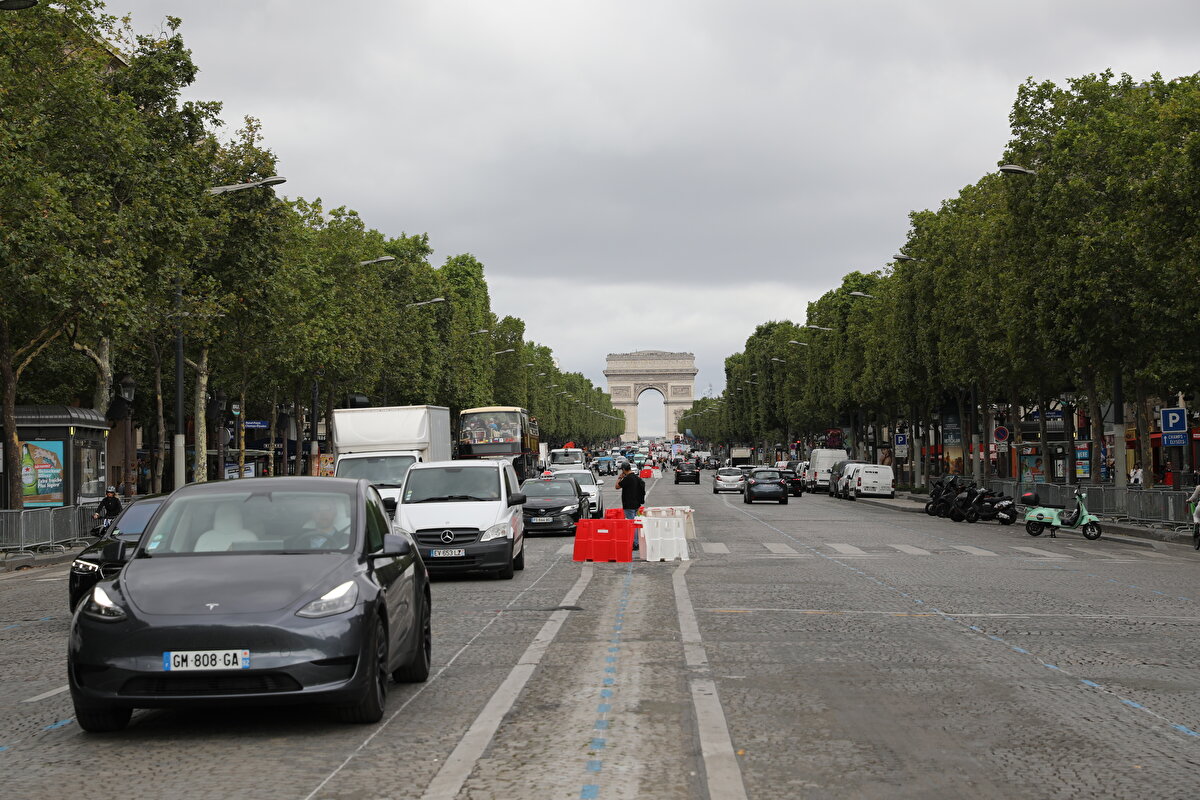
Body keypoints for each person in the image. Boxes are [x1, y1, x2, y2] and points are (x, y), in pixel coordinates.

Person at [615, 463, 646, 550]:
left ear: (624, 470)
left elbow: (617, 486)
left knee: (632, 524)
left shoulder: (628, 478)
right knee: (636, 523)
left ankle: (635, 543)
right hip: (637, 504)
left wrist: (620, 478)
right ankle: (637, 542)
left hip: (629, 505)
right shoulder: (636, 478)